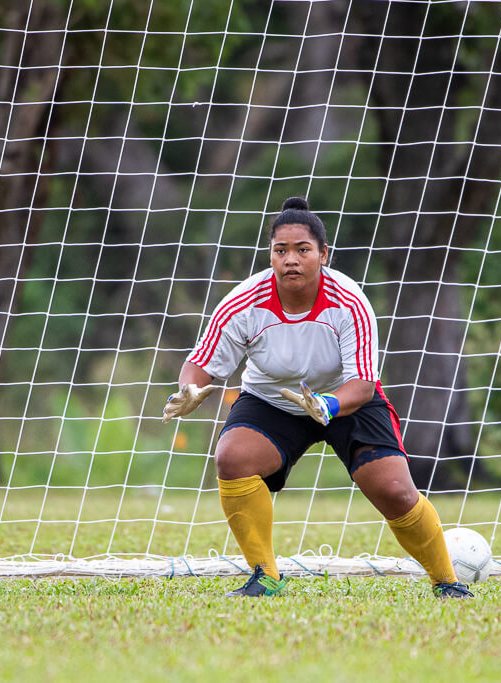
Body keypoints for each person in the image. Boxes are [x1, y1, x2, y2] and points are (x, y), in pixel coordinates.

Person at [163, 196, 471, 599]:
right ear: (270, 255)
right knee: (232, 458)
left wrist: (327, 404)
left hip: (347, 401)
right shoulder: (243, 302)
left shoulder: (349, 302)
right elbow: (200, 363)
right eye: (281, 250)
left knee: (394, 490)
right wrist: (188, 389)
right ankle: (265, 576)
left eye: (303, 250)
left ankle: (447, 582)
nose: (291, 259)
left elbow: (363, 385)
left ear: (324, 254)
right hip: (273, 400)